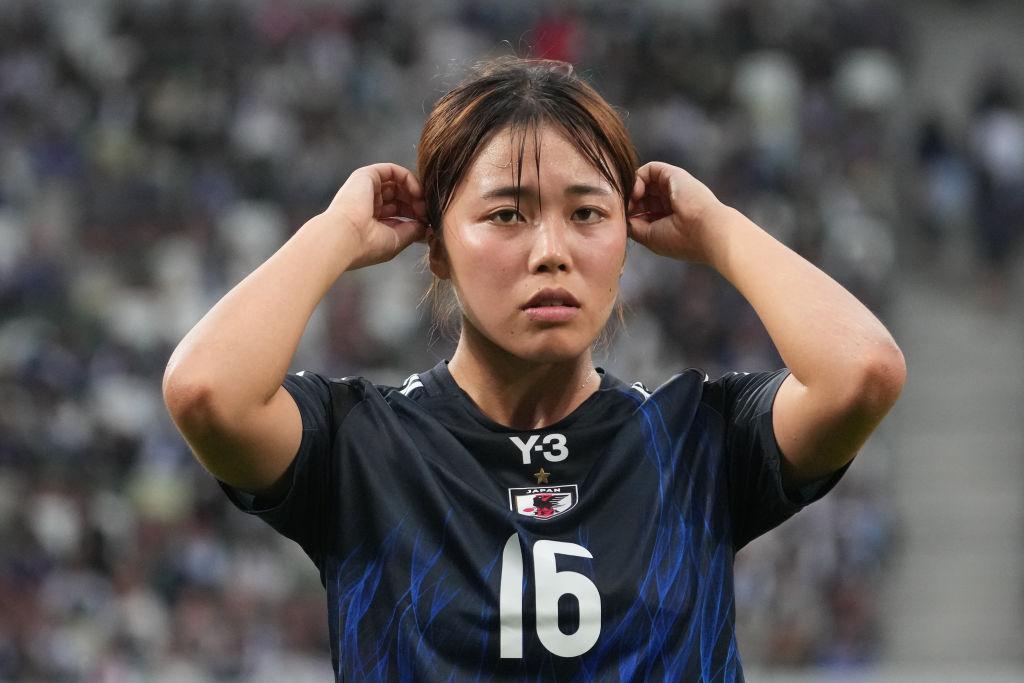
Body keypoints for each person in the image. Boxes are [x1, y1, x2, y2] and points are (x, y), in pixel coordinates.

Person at [162, 57, 905, 681]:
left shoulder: (694, 436)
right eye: (507, 215)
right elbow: (205, 391)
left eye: (587, 214)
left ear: (626, 237)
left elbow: (863, 371)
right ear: (436, 245)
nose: (552, 251)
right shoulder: (361, 443)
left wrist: (718, 228)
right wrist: (337, 231)